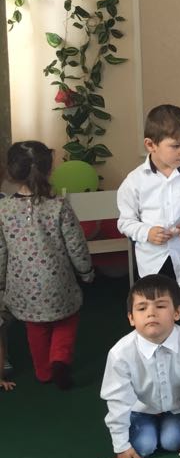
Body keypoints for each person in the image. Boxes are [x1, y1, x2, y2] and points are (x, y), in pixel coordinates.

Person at [100, 275, 180, 458]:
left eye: (161, 306)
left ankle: (173, 429)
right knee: (144, 446)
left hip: (178, 408)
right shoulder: (120, 353)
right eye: (142, 308)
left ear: (177, 312)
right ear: (131, 318)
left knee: (172, 441)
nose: (151, 313)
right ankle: (148, 430)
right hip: (142, 410)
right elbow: (117, 401)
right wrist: (121, 447)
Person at [116, 105, 180, 332]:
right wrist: (147, 232)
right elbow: (125, 222)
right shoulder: (134, 181)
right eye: (176, 146)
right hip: (153, 264)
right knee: (158, 318)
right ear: (150, 145)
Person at [0, 141, 93, 389]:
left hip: (23, 286)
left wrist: (1, 283)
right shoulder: (58, 205)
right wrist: (86, 272)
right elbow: (76, 244)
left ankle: (43, 372)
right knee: (66, 320)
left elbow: (1, 251)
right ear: (49, 169)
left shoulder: (3, 209)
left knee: (35, 328)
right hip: (59, 283)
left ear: (11, 171)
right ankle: (60, 359)